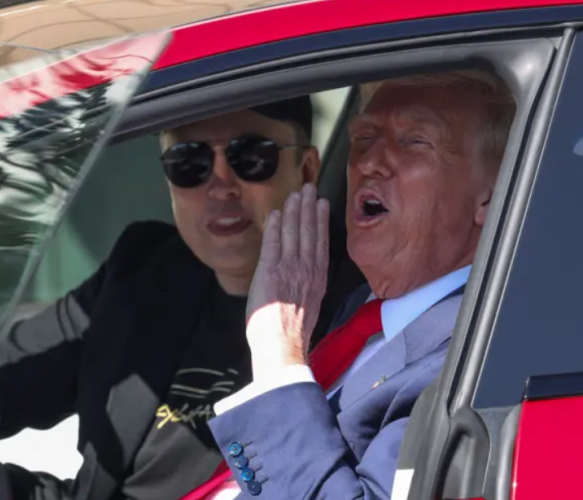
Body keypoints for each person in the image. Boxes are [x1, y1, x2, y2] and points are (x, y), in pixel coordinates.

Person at [0, 97, 320, 500]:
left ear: (306, 170)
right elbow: (0, 378)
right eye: (188, 162)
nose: (220, 185)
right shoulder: (143, 268)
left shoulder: (347, 313)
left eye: (250, 157)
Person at [189, 70, 516, 499]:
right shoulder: (362, 310)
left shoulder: (473, 361)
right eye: (363, 139)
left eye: (414, 141)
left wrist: (277, 354)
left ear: (491, 195)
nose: (367, 163)